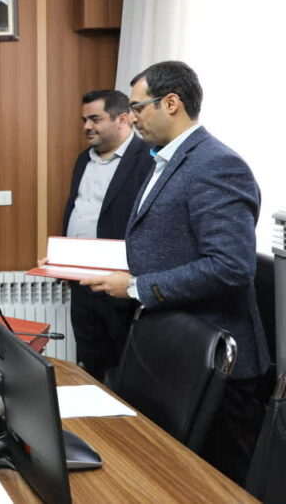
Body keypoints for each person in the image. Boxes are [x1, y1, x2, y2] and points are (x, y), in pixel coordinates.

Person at [81, 61, 269, 484]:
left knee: (218, 484)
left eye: (137, 107)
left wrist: (136, 287)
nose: (131, 118)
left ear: (170, 103)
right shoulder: (167, 160)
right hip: (176, 353)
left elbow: (231, 266)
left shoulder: (217, 164)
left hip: (217, 362)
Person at [60, 89, 153, 381]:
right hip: (81, 283)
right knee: (90, 363)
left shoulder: (147, 160)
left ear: (122, 119)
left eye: (95, 119)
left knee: (123, 369)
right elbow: (78, 212)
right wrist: (61, 259)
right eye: (84, 120)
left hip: (120, 287)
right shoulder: (83, 160)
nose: (87, 126)